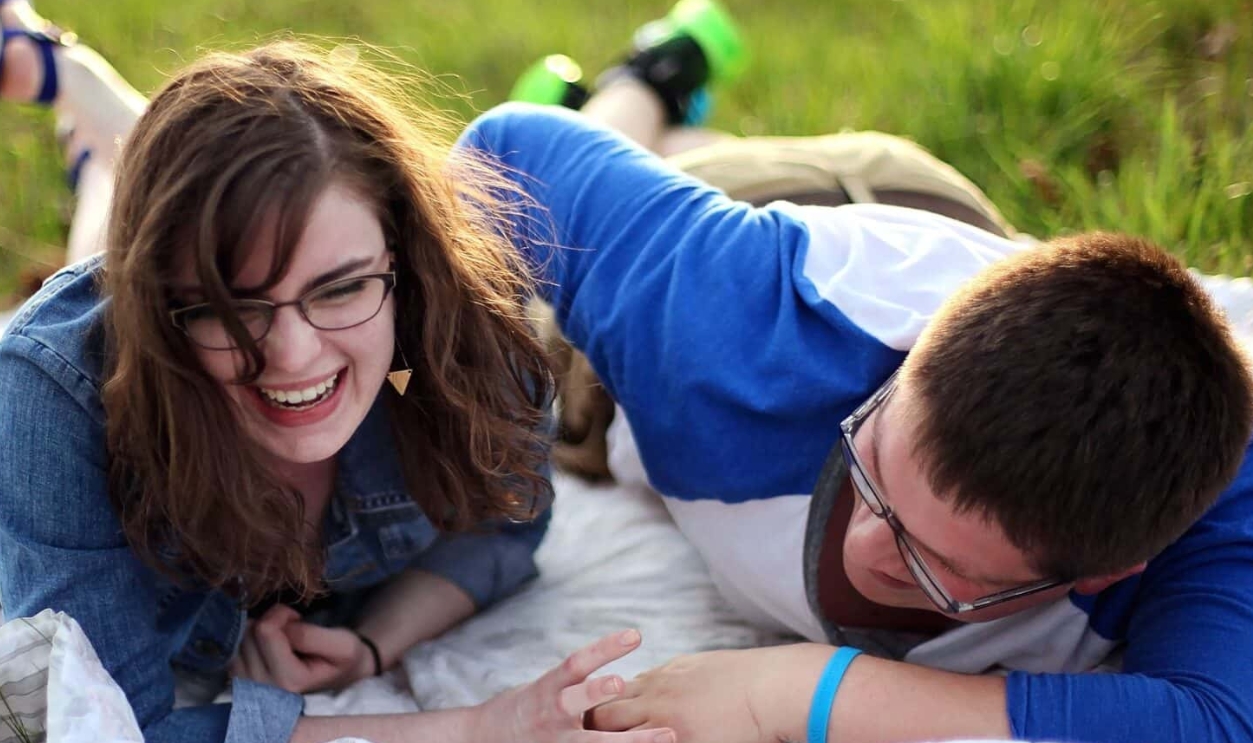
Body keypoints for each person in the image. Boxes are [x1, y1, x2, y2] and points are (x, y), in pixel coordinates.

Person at [454, 15, 1253, 743]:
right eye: (873, 468)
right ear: (909, 366)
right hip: (837, 198)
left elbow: (1216, 718)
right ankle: (650, 78)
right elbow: (511, 151)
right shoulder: (743, 308)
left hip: (1008, 275)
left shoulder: (1203, 498)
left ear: (1106, 571)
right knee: (564, 334)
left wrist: (804, 687)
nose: (870, 542)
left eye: (948, 570)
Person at [0, 3, 676, 743]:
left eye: (341, 288)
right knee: (101, 256)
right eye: (231, 307)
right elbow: (99, 724)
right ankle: (91, 119)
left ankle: (96, 133)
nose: (294, 355)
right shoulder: (57, 395)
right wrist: (476, 725)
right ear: (162, 304)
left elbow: (504, 518)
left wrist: (372, 643)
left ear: (403, 262)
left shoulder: (457, 327)